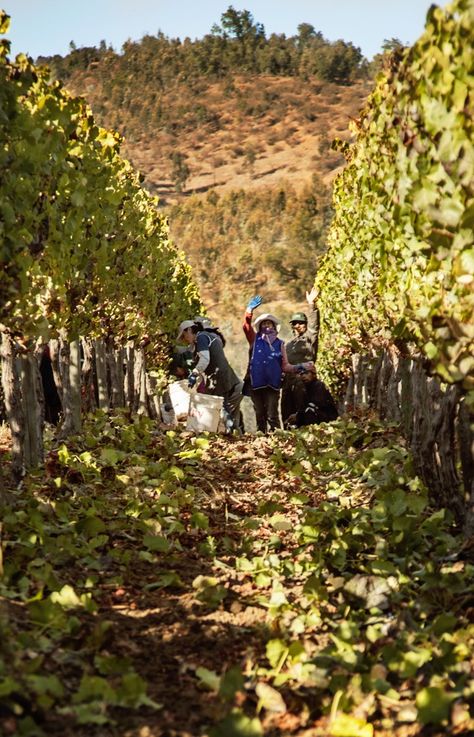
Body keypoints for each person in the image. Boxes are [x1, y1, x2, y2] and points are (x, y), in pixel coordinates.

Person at [243, 296, 313, 433]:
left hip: (273, 385)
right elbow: (246, 327)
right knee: (260, 415)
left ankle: (278, 441)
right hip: (255, 383)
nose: (266, 326)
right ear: (260, 327)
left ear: (274, 327)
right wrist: (249, 310)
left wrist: (302, 366)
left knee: (272, 415)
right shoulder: (255, 339)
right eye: (264, 324)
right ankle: (260, 441)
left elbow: (285, 366)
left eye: (269, 324)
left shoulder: (280, 344)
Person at [176, 319, 243, 432]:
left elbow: (205, 360)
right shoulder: (204, 338)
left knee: (223, 409)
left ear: (189, 330)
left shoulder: (201, 338)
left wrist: (194, 374)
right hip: (224, 377)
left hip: (219, 378)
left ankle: (230, 435)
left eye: (184, 336)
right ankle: (234, 434)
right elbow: (188, 351)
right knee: (225, 409)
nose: (185, 340)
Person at [281, 286, 321, 427]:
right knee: (285, 408)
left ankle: (304, 430)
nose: (298, 325)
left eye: (301, 323)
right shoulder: (289, 343)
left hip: (302, 379)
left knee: (300, 409)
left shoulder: (309, 338)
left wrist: (311, 305)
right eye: (295, 323)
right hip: (287, 381)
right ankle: (286, 436)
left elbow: (314, 326)